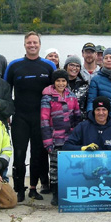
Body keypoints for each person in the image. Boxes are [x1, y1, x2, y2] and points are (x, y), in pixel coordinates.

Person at [4, 31, 56, 202]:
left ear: (40, 45)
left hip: (40, 118)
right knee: (19, 153)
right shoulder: (14, 66)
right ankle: (18, 189)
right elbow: (6, 92)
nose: (32, 45)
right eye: (29, 43)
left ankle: (33, 188)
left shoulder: (49, 66)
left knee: (38, 154)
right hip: (20, 117)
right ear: (24, 44)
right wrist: (7, 114)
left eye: (35, 42)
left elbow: (55, 92)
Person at [40, 69, 82, 206]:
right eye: (58, 81)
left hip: (69, 137)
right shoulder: (47, 97)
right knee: (55, 167)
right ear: (54, 81)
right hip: (54, 137)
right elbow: (44, 119)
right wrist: (47, 141)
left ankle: (68, 190)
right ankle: (56, 193)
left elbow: (77, 116)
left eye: (63, 81)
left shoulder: (72, 96)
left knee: (69, 166)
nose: (61, 83)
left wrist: (76, 135)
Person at [64, 55, 89, 119]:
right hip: (62, 122)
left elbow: (87, 105)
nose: (74, 68)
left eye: (77, 66)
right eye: (72, 65)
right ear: (66, 66)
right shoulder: (59, 84)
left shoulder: (85, 86)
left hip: (79, 123)